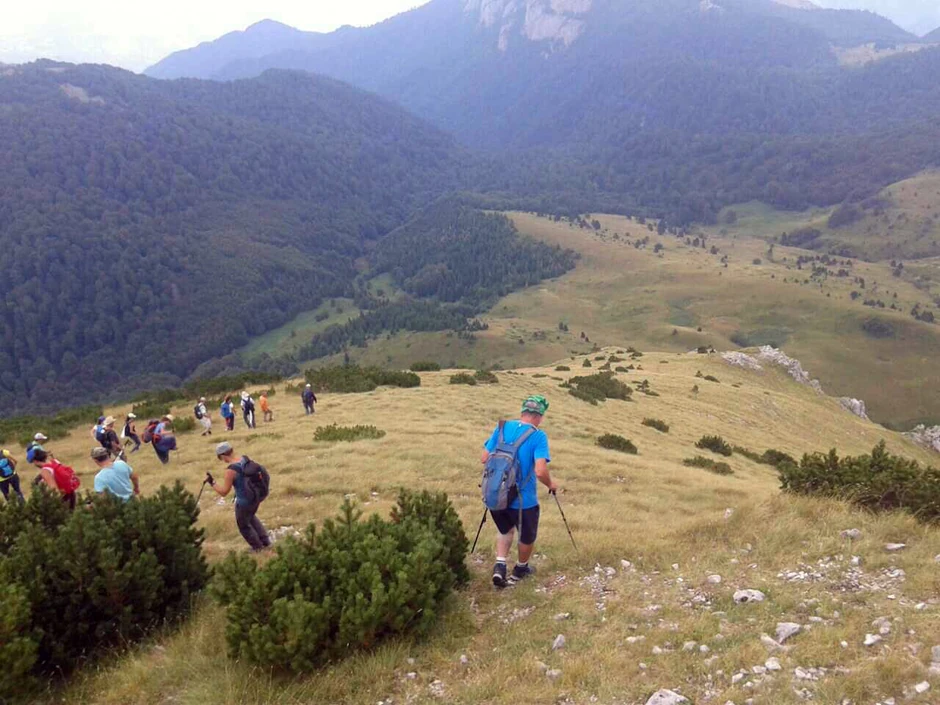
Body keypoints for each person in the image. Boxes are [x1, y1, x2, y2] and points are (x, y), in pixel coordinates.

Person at [481, 395, 557, 588]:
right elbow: (540, 471)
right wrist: (551, 485)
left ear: (523, 412)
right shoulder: (538, 436)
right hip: (524, 500)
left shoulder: (502, 427)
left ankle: (499, 566)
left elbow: (484, 458)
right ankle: (520, 570)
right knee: (526, 536)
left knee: (505, 530)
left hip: (496, 494)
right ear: (539, 416)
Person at [207, 442, 271, 551]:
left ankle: (257, 548)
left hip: (243, 502)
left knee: (244, 526)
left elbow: (224, 492)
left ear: (222, 455)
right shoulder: (244, 460)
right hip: (255, 498)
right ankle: (266, 542)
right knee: (251, 518)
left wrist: (212, 483)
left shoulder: (231, 470)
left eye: (219, 457)